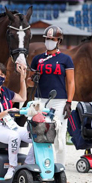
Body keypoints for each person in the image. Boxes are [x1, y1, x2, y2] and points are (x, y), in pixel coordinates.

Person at [29, 26, 75, 166]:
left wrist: (69, 102)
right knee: (39, 134)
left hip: (59, 101)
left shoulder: (66, 59)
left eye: (52, 39)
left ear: (58, 41)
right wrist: (32, 79)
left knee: (59, 137)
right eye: (47, 39)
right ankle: (42, 167)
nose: (49, 41)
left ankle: (59, 169)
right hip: (40, 100)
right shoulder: (37, 59)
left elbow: (71, 81)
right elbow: (29, 83)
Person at [0, 62, 32, 180]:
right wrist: (7, 112)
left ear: (4, 77)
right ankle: (12, 167)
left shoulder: (5, 91)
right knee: (14, 136)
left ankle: (28, 163)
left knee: (35, 135)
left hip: (10, 126)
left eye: (1, 74)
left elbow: (22, 98)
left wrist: (22, 79)